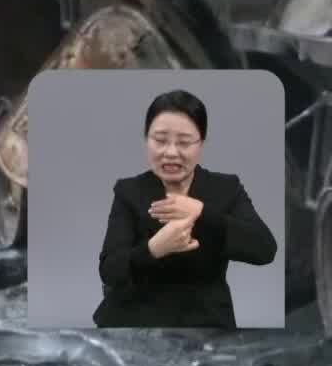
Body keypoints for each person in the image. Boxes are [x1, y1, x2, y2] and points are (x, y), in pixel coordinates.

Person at [93, 89, 277, 328]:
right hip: (133, 323)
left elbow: (264, 249)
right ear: (146, 140)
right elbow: (110, 271)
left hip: (206, 326)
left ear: (201, 143)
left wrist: (201, 213)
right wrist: (154, 249)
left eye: (184, 142)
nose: (171, 152)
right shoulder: (129, 191)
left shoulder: (226, 188)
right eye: (160, 140)